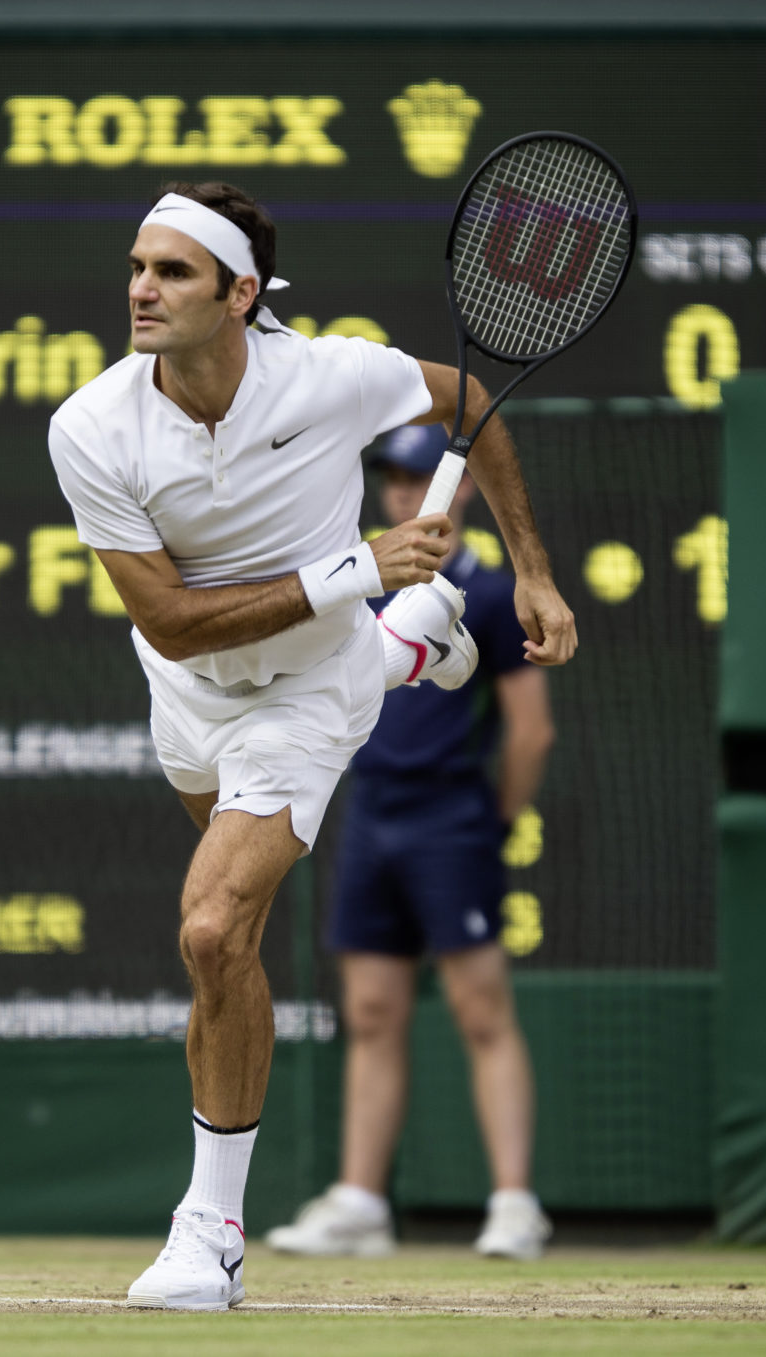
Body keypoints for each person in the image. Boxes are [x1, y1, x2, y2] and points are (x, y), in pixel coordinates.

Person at [47, 182, 577, 1310]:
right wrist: (363, 571)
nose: (141, 287)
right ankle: (404, 648)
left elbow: (470, 397)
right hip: (188, 689)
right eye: (137, 266)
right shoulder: (90, 426)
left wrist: (527, 569)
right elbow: (171, 622)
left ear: (240, 294)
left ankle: (209, 1234)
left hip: (303, 689)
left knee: (208, 927)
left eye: (173, 271)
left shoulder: (330, 375)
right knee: (227, 957)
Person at [264, 424, 557, 1261]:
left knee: (481, 1009)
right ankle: (361, 1203)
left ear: (458, 489)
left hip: (452, 817)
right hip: (371, 813)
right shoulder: (359, 586)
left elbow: (530, 733)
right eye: (392, 475)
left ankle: (513, 1204)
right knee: (371, 1011)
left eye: (419, 475)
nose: (404, 489)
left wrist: (490, 820)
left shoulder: (492, 593)